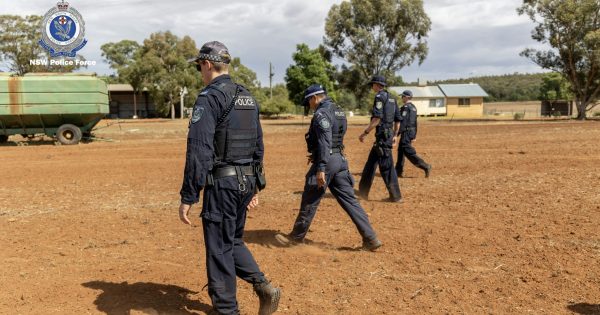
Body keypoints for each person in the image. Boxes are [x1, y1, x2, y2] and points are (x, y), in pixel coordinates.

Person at [178, 41, 280, 315]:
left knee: (219, 249)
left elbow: (198, 150)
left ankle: (227, 311)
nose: (200, 70)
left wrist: (189, 195)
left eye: (200, 65)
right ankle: (263, 287)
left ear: (208, 64)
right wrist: (256, 185)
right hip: (246, 181)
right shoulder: (247, 96)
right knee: (232, 240)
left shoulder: (209, 97)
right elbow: (258, 144)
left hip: (222, 184)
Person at [275, 84, 382, 251]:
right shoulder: (338, 110)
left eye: (308, 101)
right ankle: (371, 238)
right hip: (339, 159)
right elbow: (336, 136)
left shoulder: (321, 114)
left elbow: (325, 140)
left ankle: (295, 239)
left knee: (310, 198)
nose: (309, 105)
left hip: (328, 161)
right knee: (350, 201)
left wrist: (321, 166)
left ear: (314, 98)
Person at [357, 75, 403, 202]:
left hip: (383, 137)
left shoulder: (379, 97)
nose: (372, 87)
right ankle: (362, 192)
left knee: (387, 167)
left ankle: (396, 196)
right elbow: (398, 120)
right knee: (370, 165)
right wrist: (395, 135)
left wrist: (365, 132)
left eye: (372, 84)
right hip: (386, 137)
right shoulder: (393, 99)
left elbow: (377, 119)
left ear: (377, 85)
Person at [394, 90, 431, 178]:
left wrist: (396, 134)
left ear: (406, 97)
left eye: (402, 96)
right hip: (411, 132)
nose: (401, 98)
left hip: (406, 132)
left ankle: (425, 166)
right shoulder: (413, 107)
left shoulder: (406, 107)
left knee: (408, 151)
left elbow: (403, 122)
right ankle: (398, 171)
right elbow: (415, 122)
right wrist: (414, 135)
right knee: (401, 151)